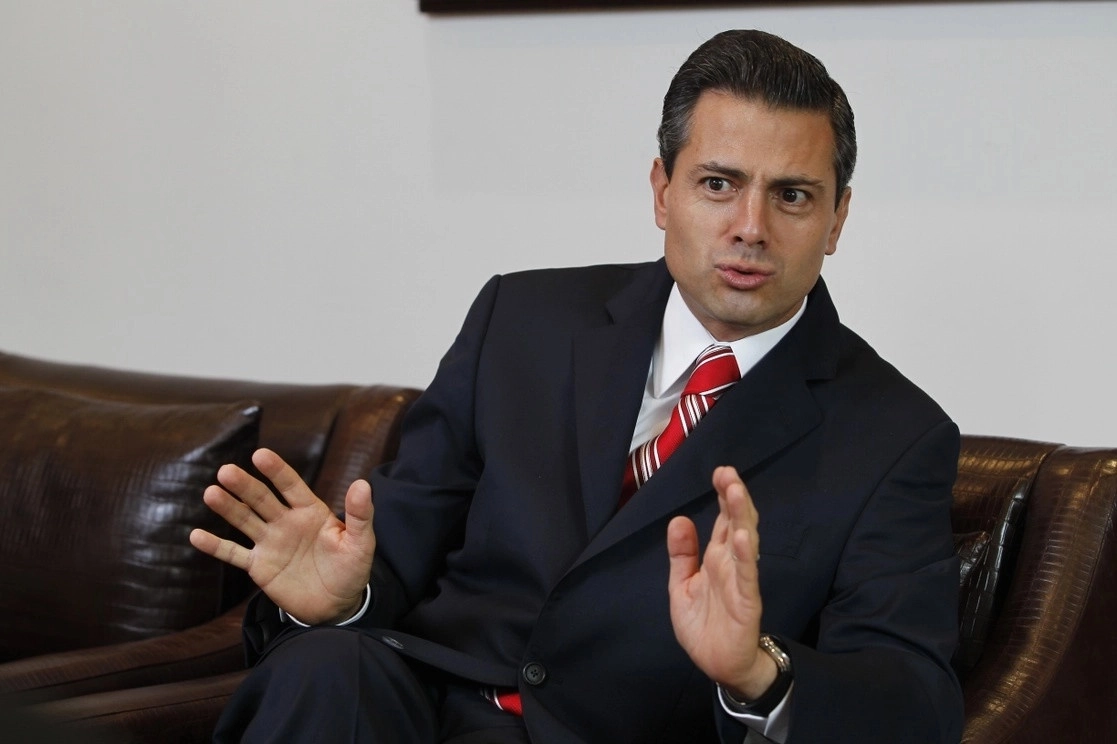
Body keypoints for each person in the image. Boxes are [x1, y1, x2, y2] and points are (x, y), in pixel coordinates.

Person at [190, 29, 963, 743]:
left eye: (792, 195)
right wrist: (341, 601)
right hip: (421, 709)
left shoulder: (893, 436)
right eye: (718, 184)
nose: (750, 227)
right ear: (662, 192)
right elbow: (392, 553)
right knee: (323, 668)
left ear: (836, 220)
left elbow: (913, 696)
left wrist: (757, 673)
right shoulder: (520, 321)